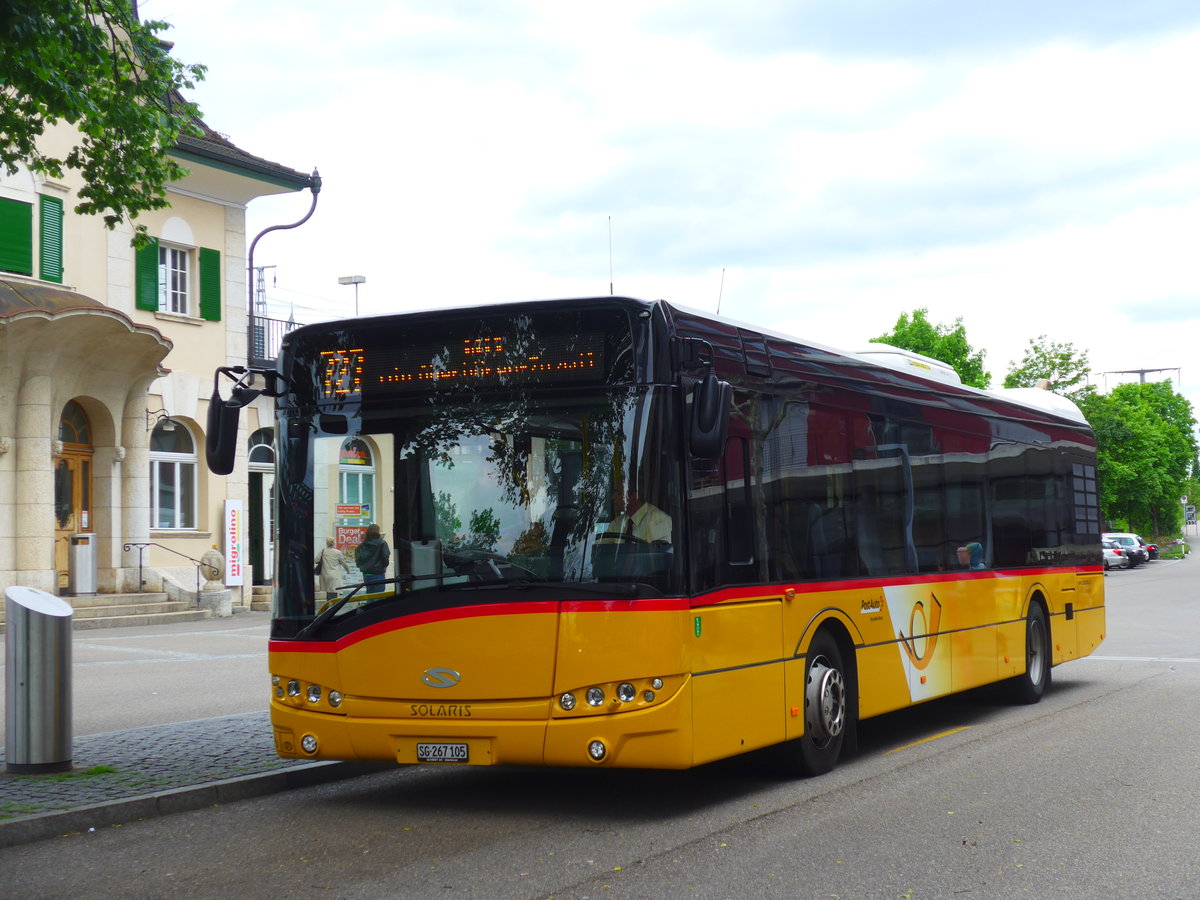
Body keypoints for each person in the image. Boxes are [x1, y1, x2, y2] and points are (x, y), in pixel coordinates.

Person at [599, 483, 672, 544]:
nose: (613, 497)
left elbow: (657, 554)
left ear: (634, 496)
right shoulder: (617, 523)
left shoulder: (659, 520)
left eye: (618, 493)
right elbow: (600, 546)